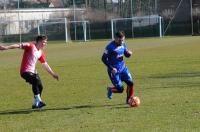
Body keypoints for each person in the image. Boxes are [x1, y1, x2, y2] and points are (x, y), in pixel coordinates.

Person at [0, 35, 59, 109]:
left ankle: (35, 104)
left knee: (40, 87)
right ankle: (39, 101)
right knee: (35, 80)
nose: (45, 44)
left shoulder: (40, 52)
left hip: (33, 72)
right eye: (44, 42)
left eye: (46, 42)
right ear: (39, 41)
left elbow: (45, 64)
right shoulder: (30, 46)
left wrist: (53, 74)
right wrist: (5, 48)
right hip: (25, 71)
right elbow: (17, 45)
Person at [101, 31, 134, 104]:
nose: (122, 42)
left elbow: (126, 54)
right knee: (120, 89)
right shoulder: (109, 47)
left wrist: (129, 54)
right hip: (114, 71)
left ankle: (129, 100)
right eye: (120, 40)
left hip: (123, 68)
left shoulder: (123, 44)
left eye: (123, 40)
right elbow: (103, 58)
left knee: (131, 83)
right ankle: (111, 89)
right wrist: (111, 68)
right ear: (115, 38)